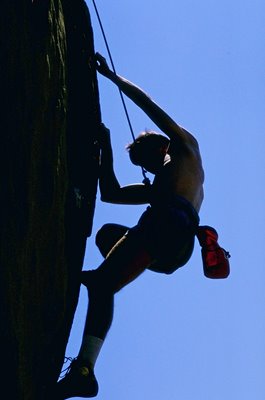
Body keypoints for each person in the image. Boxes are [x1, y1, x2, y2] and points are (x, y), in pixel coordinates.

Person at [57, 52, 205, 399]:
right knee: (108, 234)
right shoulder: (161, 186)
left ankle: (84, 370)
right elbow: (110, 193)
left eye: (147, 159)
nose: (150, 170)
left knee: (102, 284)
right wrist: (104, 150)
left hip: (168, 228)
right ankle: (108, 277)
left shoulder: (185, 148)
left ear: (160, 145)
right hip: (172, 246)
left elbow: (147, 104)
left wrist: (111, 77)